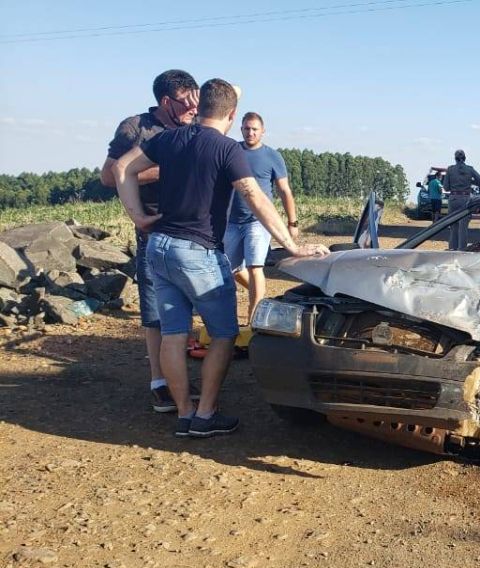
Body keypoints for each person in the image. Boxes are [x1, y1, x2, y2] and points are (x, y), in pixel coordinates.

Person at [112, 78, 329, 438]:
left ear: (199, 107)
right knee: (225, 334)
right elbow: (255, 197)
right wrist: (291, 245)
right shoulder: (228, 149)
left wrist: (137, 216)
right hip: (197, 251)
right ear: (232, 115)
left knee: (173, 335)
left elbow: (122, 168)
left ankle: (184, 413)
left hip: (159, 247)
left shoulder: (168, 139)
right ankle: (205, 414)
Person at [99, 69, 199, 414]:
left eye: (196, 100)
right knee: (156, 310)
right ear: (166, 102)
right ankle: (160, 383)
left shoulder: (193, 125)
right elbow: (108, 176)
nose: (193, 108)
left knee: (185, 307)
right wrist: (166, 168)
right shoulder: (136, 128)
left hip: (191, 230)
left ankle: (178, 377)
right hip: (153, 230)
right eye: (186, 102)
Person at [224, 112, 298, 325]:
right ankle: (259, 295)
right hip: (231, 221)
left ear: (263, 131)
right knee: (229, 269)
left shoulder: (272, 156)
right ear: (241, 130)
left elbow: (284, 190)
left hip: (258, 222)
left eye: (254, 129)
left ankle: (253, 319)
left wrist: (292, 223)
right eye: (247, 129)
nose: (250, 133)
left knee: (255, 267)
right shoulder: (232, 152)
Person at [444, 149, 480, 250]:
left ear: (455, 158)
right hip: (465, 199)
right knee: (463, 229)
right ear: (465, 158)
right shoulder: (470, 169)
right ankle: (461, 251)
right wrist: (470, 182)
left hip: (453, 199)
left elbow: (446, 188)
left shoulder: (450, 169)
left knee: (453, 228)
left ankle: (452, 250)